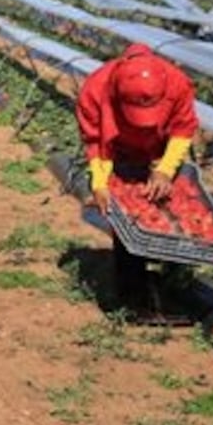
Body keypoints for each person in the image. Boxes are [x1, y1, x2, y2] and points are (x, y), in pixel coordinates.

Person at [76, 43, 199, 319]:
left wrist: (165, 169)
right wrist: (100, 183)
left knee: (172, 211)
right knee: (126, 221)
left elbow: (182, 128)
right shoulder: (95, 90)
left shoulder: (178, 83)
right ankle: (133, 295)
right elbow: (95, 141)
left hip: (160, 151)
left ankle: (172, 280)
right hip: (119, 153)